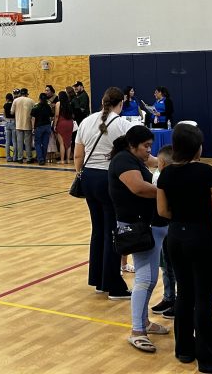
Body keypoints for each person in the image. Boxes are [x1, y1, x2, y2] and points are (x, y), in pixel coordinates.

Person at [157, 124, 212, 373]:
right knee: (203, 299)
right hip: (201, 237)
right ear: (197, 148)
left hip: (175, 237)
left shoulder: (166, 174)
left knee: (184, 293)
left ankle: (184, 350)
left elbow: (162, 211)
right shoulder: (207, 172)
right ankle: (210, 360)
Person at [108, 124, 167, 353]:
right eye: (145, 146)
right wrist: (168, 190)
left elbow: (156, 162)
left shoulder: (134, 157)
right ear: (133, 146)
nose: (148, 151)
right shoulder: (123, 161)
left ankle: (143, 323)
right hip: (135, 227)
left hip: (145, 223)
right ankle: (136, 331)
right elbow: (139, 188)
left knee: (150, 278)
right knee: (144, 278)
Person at [75, 87, 130, 299]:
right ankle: (113, 285)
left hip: (88, 177)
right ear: (121, 102)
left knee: (98, 230)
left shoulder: (86, 121)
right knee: (112, 232)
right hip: (109, 179)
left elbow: (78, 155)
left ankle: (98, 279)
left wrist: (81, 175)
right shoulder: (122, 125)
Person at [149, 144, 176, 320]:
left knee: (177, 266)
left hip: (173, 227)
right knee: (166, 265)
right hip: (161, 226)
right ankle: (169, 297)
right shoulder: (157, 176)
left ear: (163, 163)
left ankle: (181, 301)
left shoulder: (168, 179)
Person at [11, 88, 35, 163]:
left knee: (19, 142)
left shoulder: (16, 100)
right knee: (28, 143)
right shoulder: (31, 101)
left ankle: (20, 158)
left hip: (18, 124)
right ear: (27, 93)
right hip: (28, 124)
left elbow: (12, 112)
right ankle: (29, 158)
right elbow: (34, 113)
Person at [32, 92, 54, 166]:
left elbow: (33, 118)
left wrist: (33, 128)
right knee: (45, 144)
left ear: (39, 99)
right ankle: (43, 159)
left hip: (39, 127)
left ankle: (40, 159)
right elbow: (51, 116)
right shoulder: (48, 107)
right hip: (47, 126)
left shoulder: (36, 107)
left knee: (37, 143)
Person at [54, 90, 75, 165]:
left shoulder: (58, 103)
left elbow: (56, 115)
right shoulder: (69, 103)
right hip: (70, 123)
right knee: (68, 142)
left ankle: (62, 160)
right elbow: (72, 115)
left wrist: (55, 125)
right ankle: (68, 160)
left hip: (61, 123)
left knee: (62, 143)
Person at [2, 92, 17, 161]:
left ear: (7, 99)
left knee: (7, 141)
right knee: (14, 141)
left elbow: (4, 115)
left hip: (7, 123)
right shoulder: (14, 105)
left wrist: (7, 120)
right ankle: (15, 157)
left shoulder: (5, 105)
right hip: (14, 122)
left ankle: (8, 157)